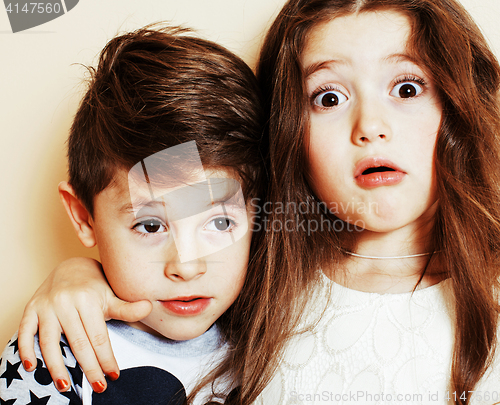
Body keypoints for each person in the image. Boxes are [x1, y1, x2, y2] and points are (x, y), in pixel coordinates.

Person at [13, 0, 500, 404]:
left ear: (457, 105)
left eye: (407, 88)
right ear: (290, 130)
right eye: (328, 98)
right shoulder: (268, 280)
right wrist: (79, 276)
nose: (370, 126)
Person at [0, 24, 267, 405]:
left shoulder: (275, 333)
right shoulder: (52, 356)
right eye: (151, 225)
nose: (187, 267)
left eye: (220, 222)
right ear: (83, 216)